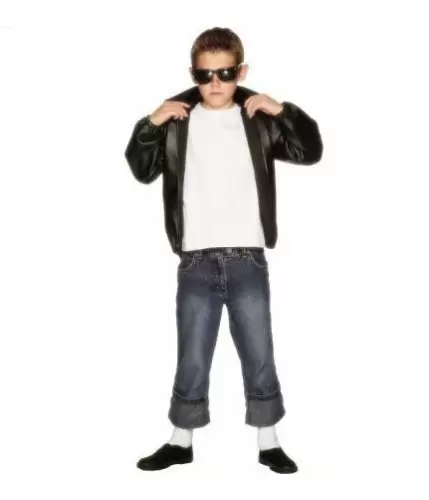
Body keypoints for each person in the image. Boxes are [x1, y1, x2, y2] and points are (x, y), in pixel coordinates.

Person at [124, 27, 323, 474]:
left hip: (247, 256)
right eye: (205, 74)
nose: (215, 83)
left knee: (258, 350)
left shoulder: (258, 118)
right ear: (193, 74)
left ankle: (269, 442)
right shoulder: (176, 120)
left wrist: (281, 109)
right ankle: (181, 440)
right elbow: (141, 170)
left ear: (241, 72)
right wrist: (151, 123)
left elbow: (309, 150)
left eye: (225, 73)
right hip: (195, 259)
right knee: (192, 352)